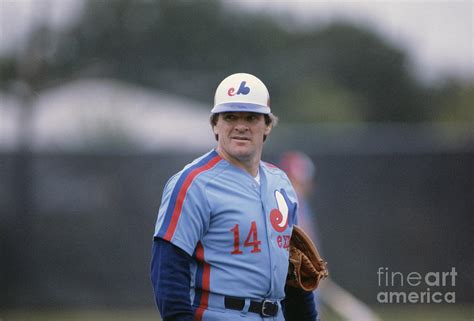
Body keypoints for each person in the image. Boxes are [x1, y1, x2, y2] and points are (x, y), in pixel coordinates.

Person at [151, 73, 319, 321]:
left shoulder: (281, 183)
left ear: (268, 125)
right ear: (215, 125)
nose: (241, 125)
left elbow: (293, 275)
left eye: (251, 117)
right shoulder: (193, 183)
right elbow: (168, 271)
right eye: (230, 117)